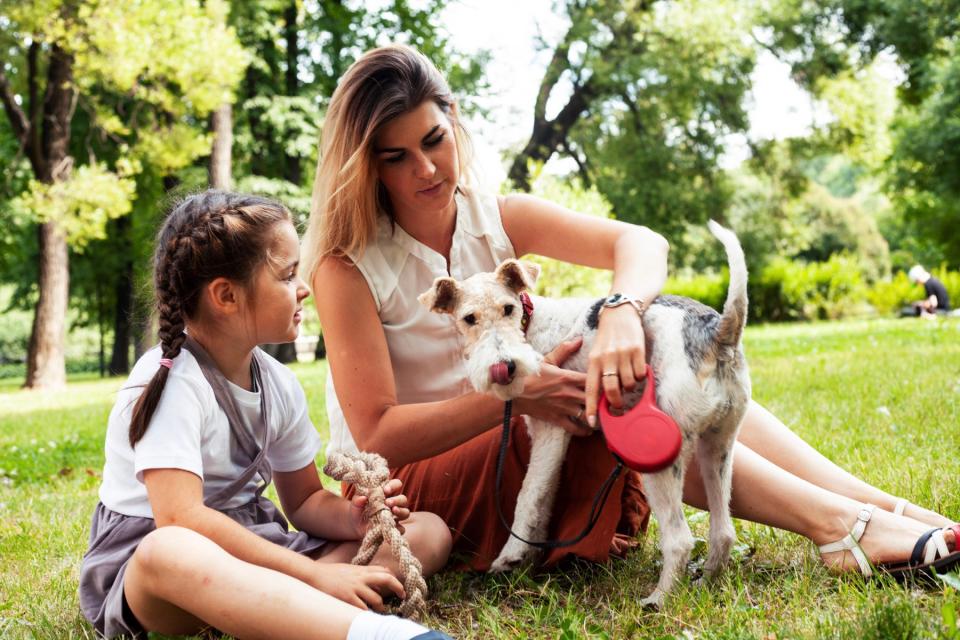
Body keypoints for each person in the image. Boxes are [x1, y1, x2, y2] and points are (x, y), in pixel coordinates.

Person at [304, 44, 959, 581]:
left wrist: (622, 308)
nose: (425, 168)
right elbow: (376, 434)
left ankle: (882, 509)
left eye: (434, 139)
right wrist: (521, 398)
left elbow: (640, 243)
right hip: (415, 485)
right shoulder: (348, 266)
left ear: (454, 122)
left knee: (648, 356)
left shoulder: (495, 216)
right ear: (366, 166)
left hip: (526, 432)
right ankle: (840, 528)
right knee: (620, 393)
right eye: (396, 156)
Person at [79, 191, 453, 640]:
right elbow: (181, 519)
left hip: (251, 546)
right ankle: (364, 631)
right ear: (226, 296)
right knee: (169, 550)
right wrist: (314, 573)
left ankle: (270, 608)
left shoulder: (276, 381)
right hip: (157, 568)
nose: (304, 288)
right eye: (288, 274)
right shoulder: (170, 379)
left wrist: (357, 520)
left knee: (428, 533)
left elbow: (304, 502)